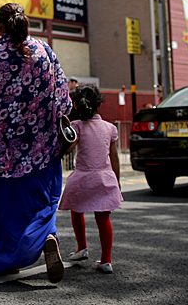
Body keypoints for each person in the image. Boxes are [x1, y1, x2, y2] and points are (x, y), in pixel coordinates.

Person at [0, 2, 72, 283]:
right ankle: (46, 236)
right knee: (41, 203)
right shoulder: (43, 51)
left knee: (5, 212)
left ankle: (6, 261)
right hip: (41, 150)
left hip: (3, 153)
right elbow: (62, 96)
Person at [57, 84, 122, 273]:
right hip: (104, 176)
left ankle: (82, 248)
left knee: (77, 211)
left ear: (76, 106)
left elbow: (68, 149)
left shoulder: (77, 126)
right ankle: (106, 260)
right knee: (103, 219)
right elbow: (114, 157)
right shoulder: (110, 128)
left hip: (83, 177)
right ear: (99, 105)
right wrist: (116, 181)